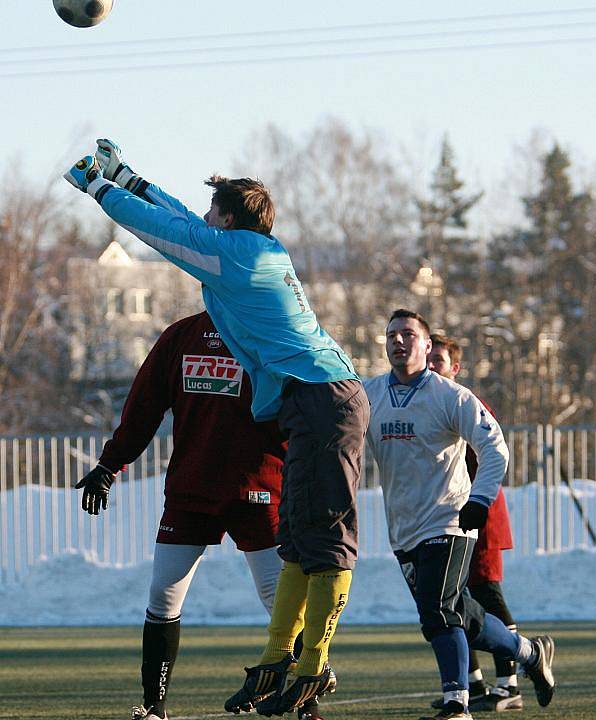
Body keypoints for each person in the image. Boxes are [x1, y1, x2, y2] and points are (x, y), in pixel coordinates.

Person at [65, 143, 370, 717]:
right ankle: (281, 662)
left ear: (229, 220)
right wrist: (132, 178)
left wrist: (100, 190)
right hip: (312, 402)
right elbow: (179, 216)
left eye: (214, 214)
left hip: (326, 399)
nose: (205, 222)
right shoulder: (248, 247)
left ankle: (309, 671)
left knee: (325, 544)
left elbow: (162, 232)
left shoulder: (241, 256)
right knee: (302, 543)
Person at [75, 311, 289, 720]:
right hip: (193, 490)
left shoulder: (276, 328)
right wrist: (109, 465)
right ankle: (154, 707)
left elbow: (314, 408)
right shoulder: (182, 335)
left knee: (280, 600)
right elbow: (143, 408)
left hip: (259, 487)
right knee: (162, 595)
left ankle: (303, 699)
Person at [363, 309, 555, 720]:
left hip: (449, 520)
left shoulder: (451, 395)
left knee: (436, 611)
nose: (399, 341)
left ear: (427, 345)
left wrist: (480, 500)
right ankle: (529, 652)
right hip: (404, 527)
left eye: (408, 335)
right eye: (392, 334)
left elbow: (495, 447)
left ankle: (457, 703)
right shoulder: (369, 394)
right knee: (461, 614)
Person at [428, 334, 522, 712]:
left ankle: (509, 683)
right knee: (456, 600)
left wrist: (476, 505)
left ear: (456, 368)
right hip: (445, 519)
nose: (432, 365)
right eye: (429, 358)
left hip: (477, 518)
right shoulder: (426, 403)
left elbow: (491, 454)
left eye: (439, 360)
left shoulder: (463, 402)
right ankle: (475, 683)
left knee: (488, 594)